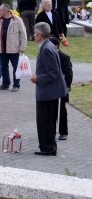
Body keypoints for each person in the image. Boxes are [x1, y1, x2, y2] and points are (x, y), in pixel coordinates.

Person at [30, 22, 68, 156]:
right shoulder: (47, 45)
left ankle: (48, 148)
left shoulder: (46, 48)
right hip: (50, 91)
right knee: (48, 120)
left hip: (48, 91)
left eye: (35, 33)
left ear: (40, 35)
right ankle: (49, 146)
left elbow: (53, 72)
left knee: (44, 120)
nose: (33, 35)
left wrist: (38, 79)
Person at [0, 4, 28, 92]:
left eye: (1, 10)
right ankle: (5, 84)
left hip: (14, 49)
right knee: (3, 67)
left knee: (16, 68)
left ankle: (16, 85)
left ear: (6, 11)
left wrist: (23, 46)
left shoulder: (17, 19)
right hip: (1, 48)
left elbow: (23, 34)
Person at [48, 35, 72, 141]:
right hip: (49, 89)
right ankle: (51, 131)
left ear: (56, 46)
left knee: (61, 110)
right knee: (50, 110)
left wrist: (66, 86)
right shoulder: (47, 55)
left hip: (61, 89)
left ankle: (63, 132)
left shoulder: (64, 57)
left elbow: (68, 74)